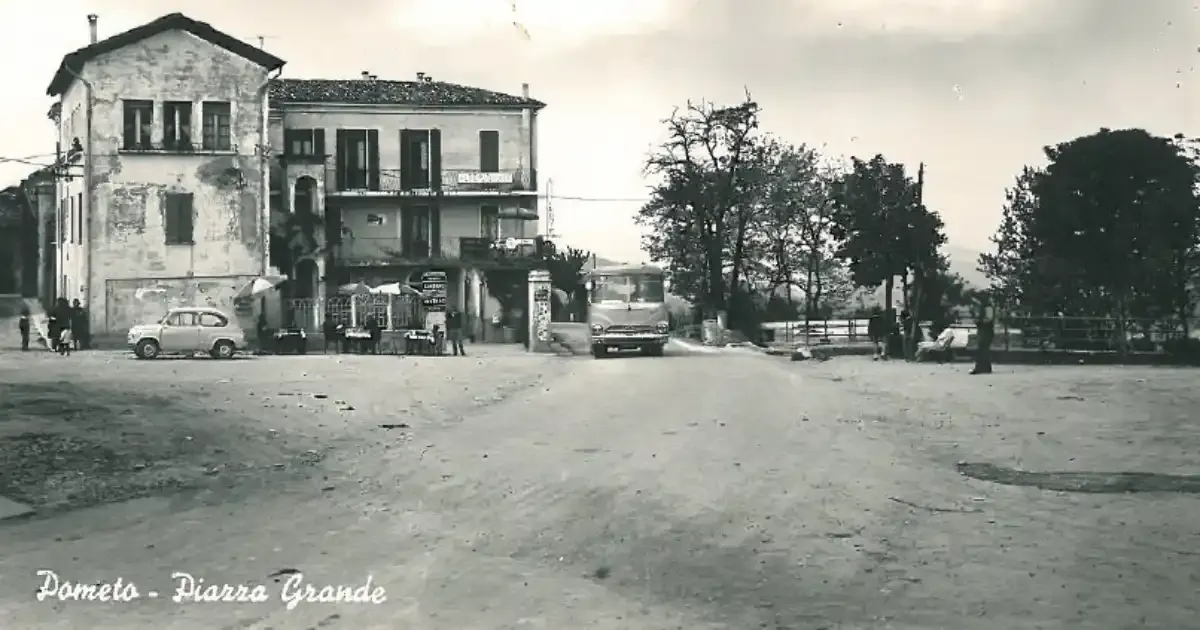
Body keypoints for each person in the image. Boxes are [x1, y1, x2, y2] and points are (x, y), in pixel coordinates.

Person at [971, 294, 995, 375]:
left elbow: (988, 319)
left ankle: (980, 368)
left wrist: (979, 321)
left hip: (986, 330)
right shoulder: (984, 307)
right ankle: (986, 367)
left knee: (982, 348)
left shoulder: (987, 307)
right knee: (983, 348)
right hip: (984, 330)